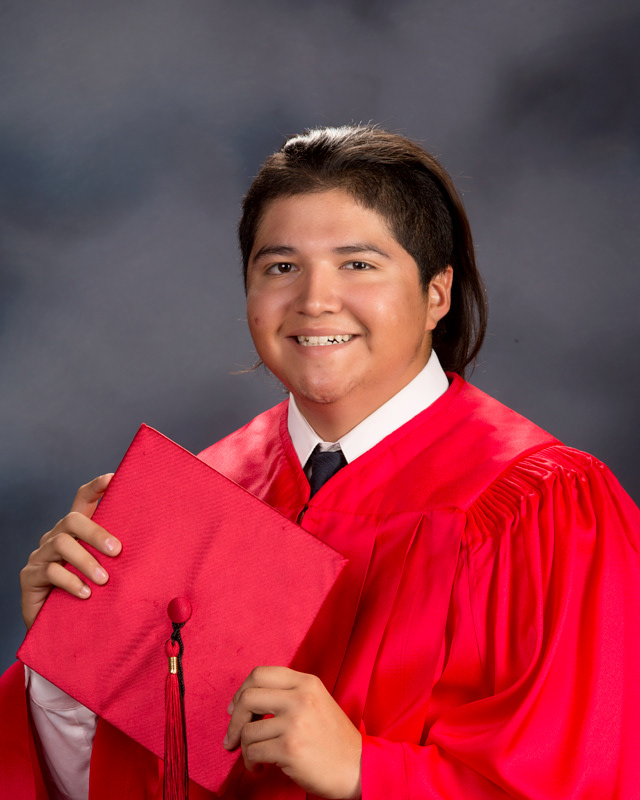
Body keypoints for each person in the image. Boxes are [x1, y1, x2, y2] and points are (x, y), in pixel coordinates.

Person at [3, 125, 640, 799]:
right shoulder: (205, 496)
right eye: (281, 267)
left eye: (357, 264)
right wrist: (65, 666)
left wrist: (369, 771)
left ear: (437, 294)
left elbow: (597, 780)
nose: (314, 301)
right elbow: (130, 785)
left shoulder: (544, 510)